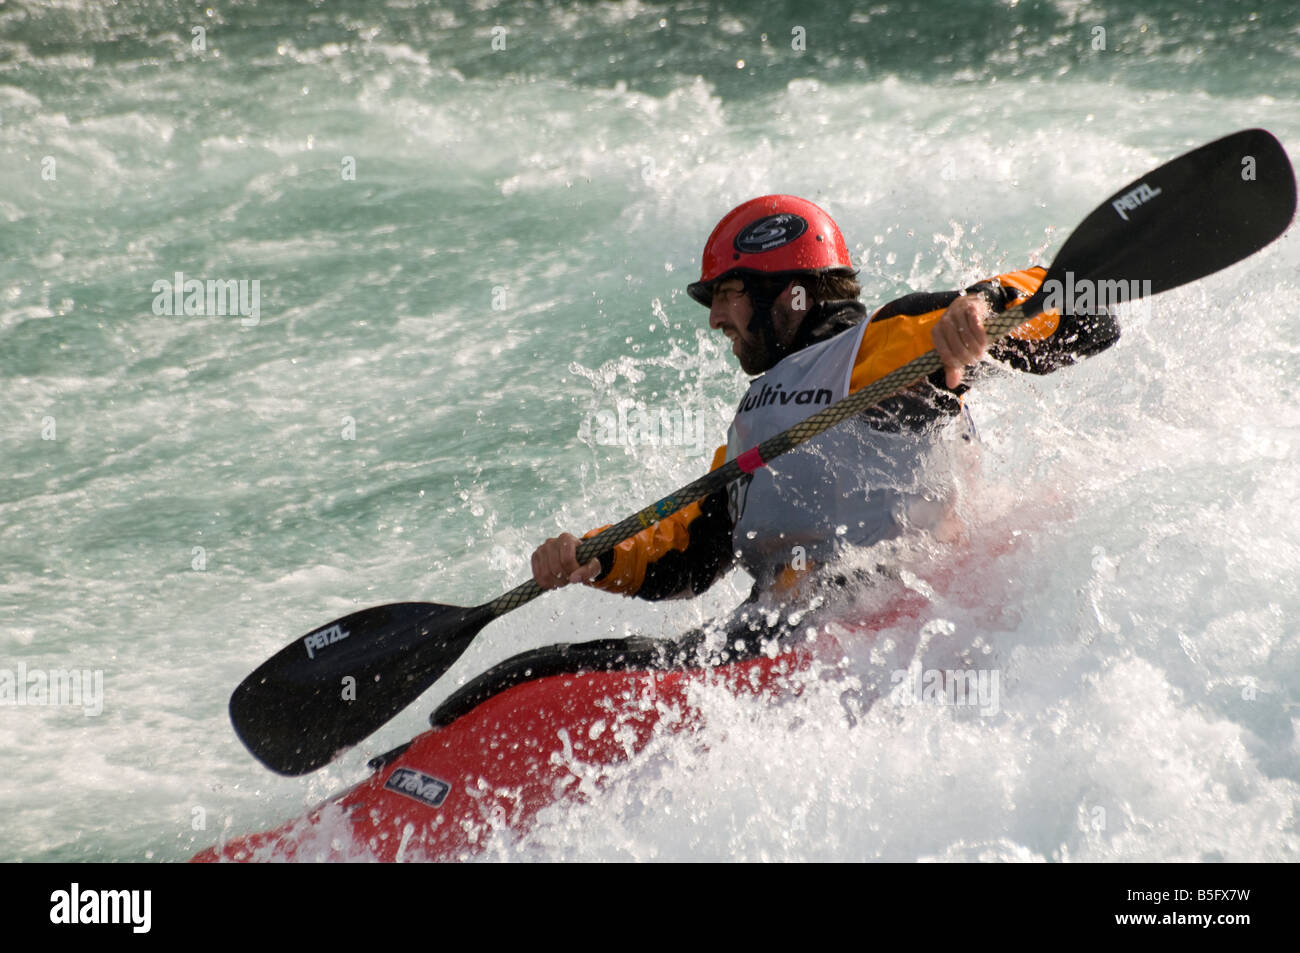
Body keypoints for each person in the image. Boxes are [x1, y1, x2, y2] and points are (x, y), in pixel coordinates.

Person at [529, 194, 1119, 663]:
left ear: (790, 295)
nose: (713, 319)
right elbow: (689, 552)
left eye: (727, 294)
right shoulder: (755, 417)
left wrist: (987, 310)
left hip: (889, 627)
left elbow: (1084, 311)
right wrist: (599, 556)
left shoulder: (880, 345)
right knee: (551, 668)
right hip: (775, 639)